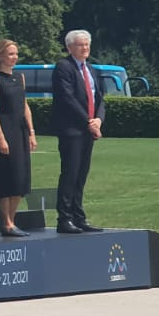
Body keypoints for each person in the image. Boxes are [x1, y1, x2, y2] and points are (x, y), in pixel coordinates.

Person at [52, 29, 106, 235]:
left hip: (88, 130)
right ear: (69, 47)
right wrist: (88, 122)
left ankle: (78, 217)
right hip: (72, 130)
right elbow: (67, 99)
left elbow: (99, 98)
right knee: (70, 173)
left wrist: (98, 119)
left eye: (87, 45)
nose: (85, 48)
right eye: (80, 45)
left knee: (81, 174)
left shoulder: (90, 68)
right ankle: (64, 218)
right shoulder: (63, 67)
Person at [0, 38, 36, 238]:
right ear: (0, 56)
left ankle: (12, 220)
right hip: (4, 130)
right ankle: (5, 221)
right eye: (10, 54)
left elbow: (24, 105)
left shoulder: (19, 77)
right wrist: (0, 137)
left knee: (20, 177)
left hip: (20, 131)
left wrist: (31, 132)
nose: (14, 57)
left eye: (16, 54)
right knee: (6, 176)